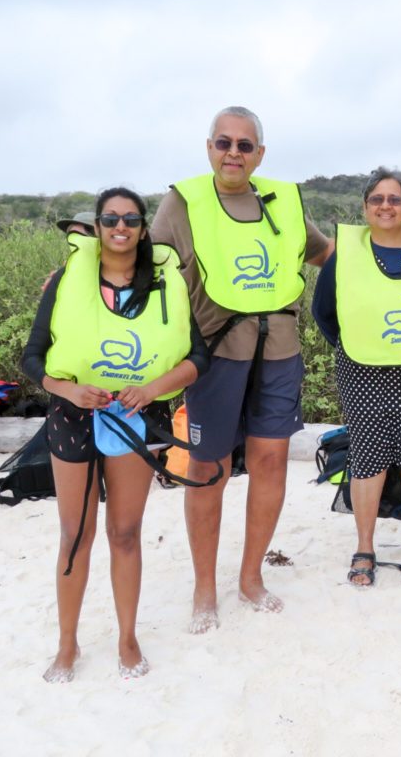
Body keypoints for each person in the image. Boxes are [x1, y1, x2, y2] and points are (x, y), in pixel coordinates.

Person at [151, 106, 332, 632]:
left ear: (260, 153)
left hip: (278, 350)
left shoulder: (283, 201)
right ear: (209, 146)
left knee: (271, 462)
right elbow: (149, 266)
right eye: (224, 143)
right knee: (208, 470)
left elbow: (326, 254)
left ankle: (251, 577)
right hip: (213, 355)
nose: (234, 153)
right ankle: (204, 586)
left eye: (245, 145)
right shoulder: (182, 202)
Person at [22, 187, 208, 681]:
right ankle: (67, 645)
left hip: (136, 417)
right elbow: (33, 358)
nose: (120, 227)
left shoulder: (165, 284)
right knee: (74, 534)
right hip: (73, 415)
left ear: (144, 228)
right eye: (110, 218)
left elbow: (197, 358)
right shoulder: (67, 281)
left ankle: (127, 638)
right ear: (97, 226)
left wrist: (151, 390)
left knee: (124, 533)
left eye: (130, 219)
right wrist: (69, 389)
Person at [311, 167, 401, 586]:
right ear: (365, 206)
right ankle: (365, 547)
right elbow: (323, 311)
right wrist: (358, 344)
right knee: (368, 457)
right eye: (377, 199)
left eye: (394, 199)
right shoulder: (345, 253)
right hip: (362, 369)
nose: (385, 206)